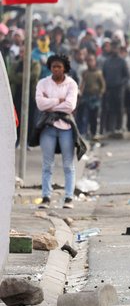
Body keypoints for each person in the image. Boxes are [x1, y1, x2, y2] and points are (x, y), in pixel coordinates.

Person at [31, 54, 86, 210]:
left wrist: (51, 102)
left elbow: (70, 106)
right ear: (50, 67)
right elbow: (40, 104)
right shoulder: (43, 83)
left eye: (59, 67)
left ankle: (68, 198)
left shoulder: (71, 84)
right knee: (47, 164)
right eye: (53, 66)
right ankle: (46, 197)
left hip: (66, 127)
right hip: (47, 127)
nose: (56, 69)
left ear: (64, 68)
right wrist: (59, 100)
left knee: (68, 165)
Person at [101, 41, 128, 134]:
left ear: (119, 49)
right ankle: (109, 128)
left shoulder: (122, 61)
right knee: (109, 108)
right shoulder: (107, 61)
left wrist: (121, 83)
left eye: (116, 48)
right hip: (109, 88)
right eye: (113, 47)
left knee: (119, 108)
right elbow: (103, 75)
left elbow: (126, 76)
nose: (114, 50)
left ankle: (119, 127)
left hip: (119, 89)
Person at [78, 53, 105, 137]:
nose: (90, 62)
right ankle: (85, 132)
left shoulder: (98, 73)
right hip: (86, 96)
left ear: (95, 61)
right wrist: (80, 93)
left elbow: (103, 85)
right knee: (86, 115)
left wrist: (100, 93)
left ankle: (94, 132)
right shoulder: (85, 73)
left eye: (92, 60)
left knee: (94, 116)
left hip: (95, 97)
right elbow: (82, 83)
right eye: (88, 60)